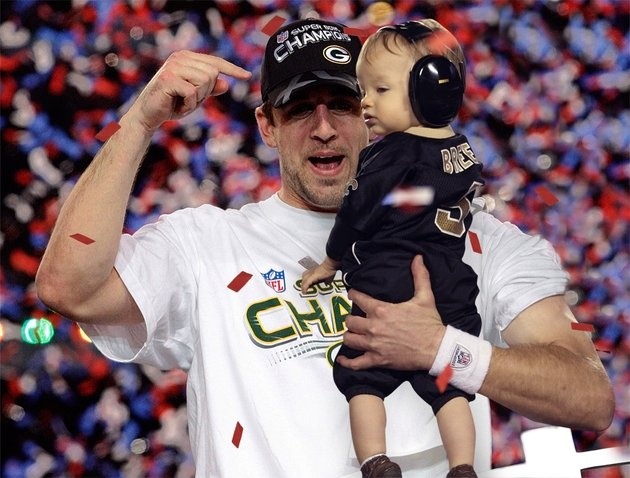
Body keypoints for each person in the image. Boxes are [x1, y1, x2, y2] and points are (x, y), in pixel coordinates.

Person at [35, 16, 614, 478]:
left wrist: (442, 348)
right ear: (266, 126)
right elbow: (67, 288)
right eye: (298, 110)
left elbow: (589, 397)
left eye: (342, 104)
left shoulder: (474, 234)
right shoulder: (205, 244)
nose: (324, 128)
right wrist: (139, 121)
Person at [300, 19, 483, 478]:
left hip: (392, 279)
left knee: (359, 376)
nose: (365, 102)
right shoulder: (464, 151)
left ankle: (376, 462)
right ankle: (463, 466)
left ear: (429, 91)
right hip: (451, 282)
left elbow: (355, 215)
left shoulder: (390, 155)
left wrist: (330, 260)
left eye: (380, 90)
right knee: (450, 387)